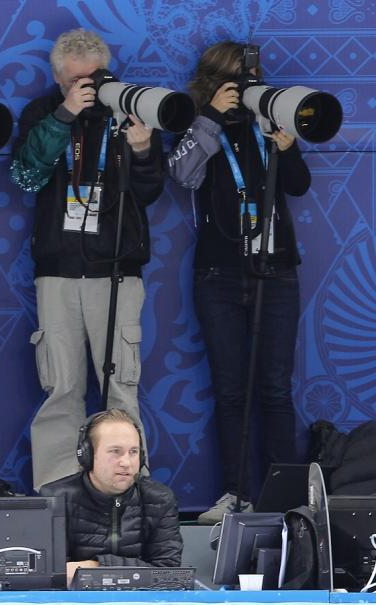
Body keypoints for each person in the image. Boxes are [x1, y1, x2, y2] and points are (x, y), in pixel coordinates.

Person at [10, 29, 164, 490]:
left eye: (96, 77)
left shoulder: (127, 106)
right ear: (59, 79)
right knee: (62, 388)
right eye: (78, 81)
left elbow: (151, 191)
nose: (91, 88)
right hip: (57, 273)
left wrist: (141, 149)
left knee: (121, 388)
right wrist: (64, 117)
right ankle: (58, 492)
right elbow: (26, 177)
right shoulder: (43, 113)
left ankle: (129, 490)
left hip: (117, 269)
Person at [166, 42, 311, 524]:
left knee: (274, 387)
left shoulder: (271, 114)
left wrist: (286, 147)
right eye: (233, 81)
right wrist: (210, 116)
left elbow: (298, 185)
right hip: (219, 272)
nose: (244, 88)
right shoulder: (196, 120)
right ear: (210, 81)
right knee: (230, 390)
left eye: (250, 79)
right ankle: (235, 492)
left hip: (276, 269)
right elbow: (183, 175)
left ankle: (285, 495)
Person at [39, 410, 182, 585]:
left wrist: (96, 566)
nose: (126, 462)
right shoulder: (56, 499)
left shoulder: (160, 499)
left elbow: (168, 574)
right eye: (115, 451)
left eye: (133, 452)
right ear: (88, 455)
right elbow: (53, 574)